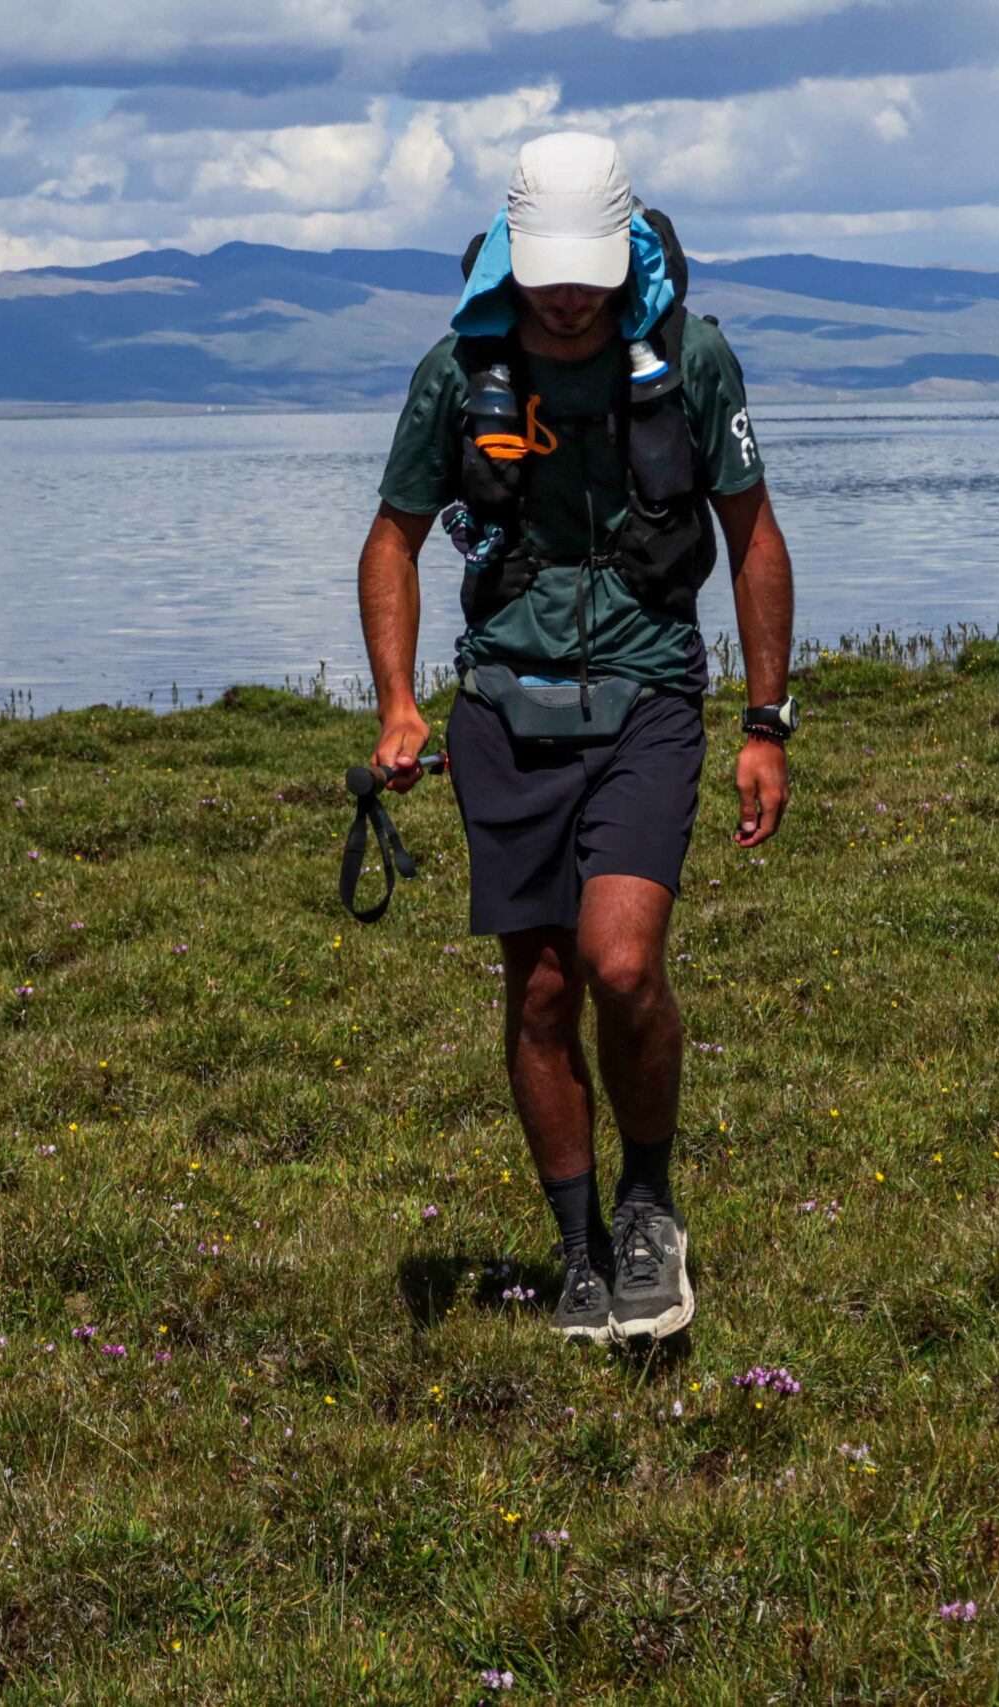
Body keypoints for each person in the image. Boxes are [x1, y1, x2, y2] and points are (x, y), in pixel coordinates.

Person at [356, 132, 797, 1346]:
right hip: (504, 706)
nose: (564, 294)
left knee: (618, 965)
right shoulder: (458, 368)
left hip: (650, 692)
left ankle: (650, 1211)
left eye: (585, 272)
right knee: (540, 988)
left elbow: (754, 537)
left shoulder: (694, 359)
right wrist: (399, 704)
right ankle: (581, 1253)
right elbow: (390, 541)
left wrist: (766, 720)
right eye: (547, 269)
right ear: (514, 249)